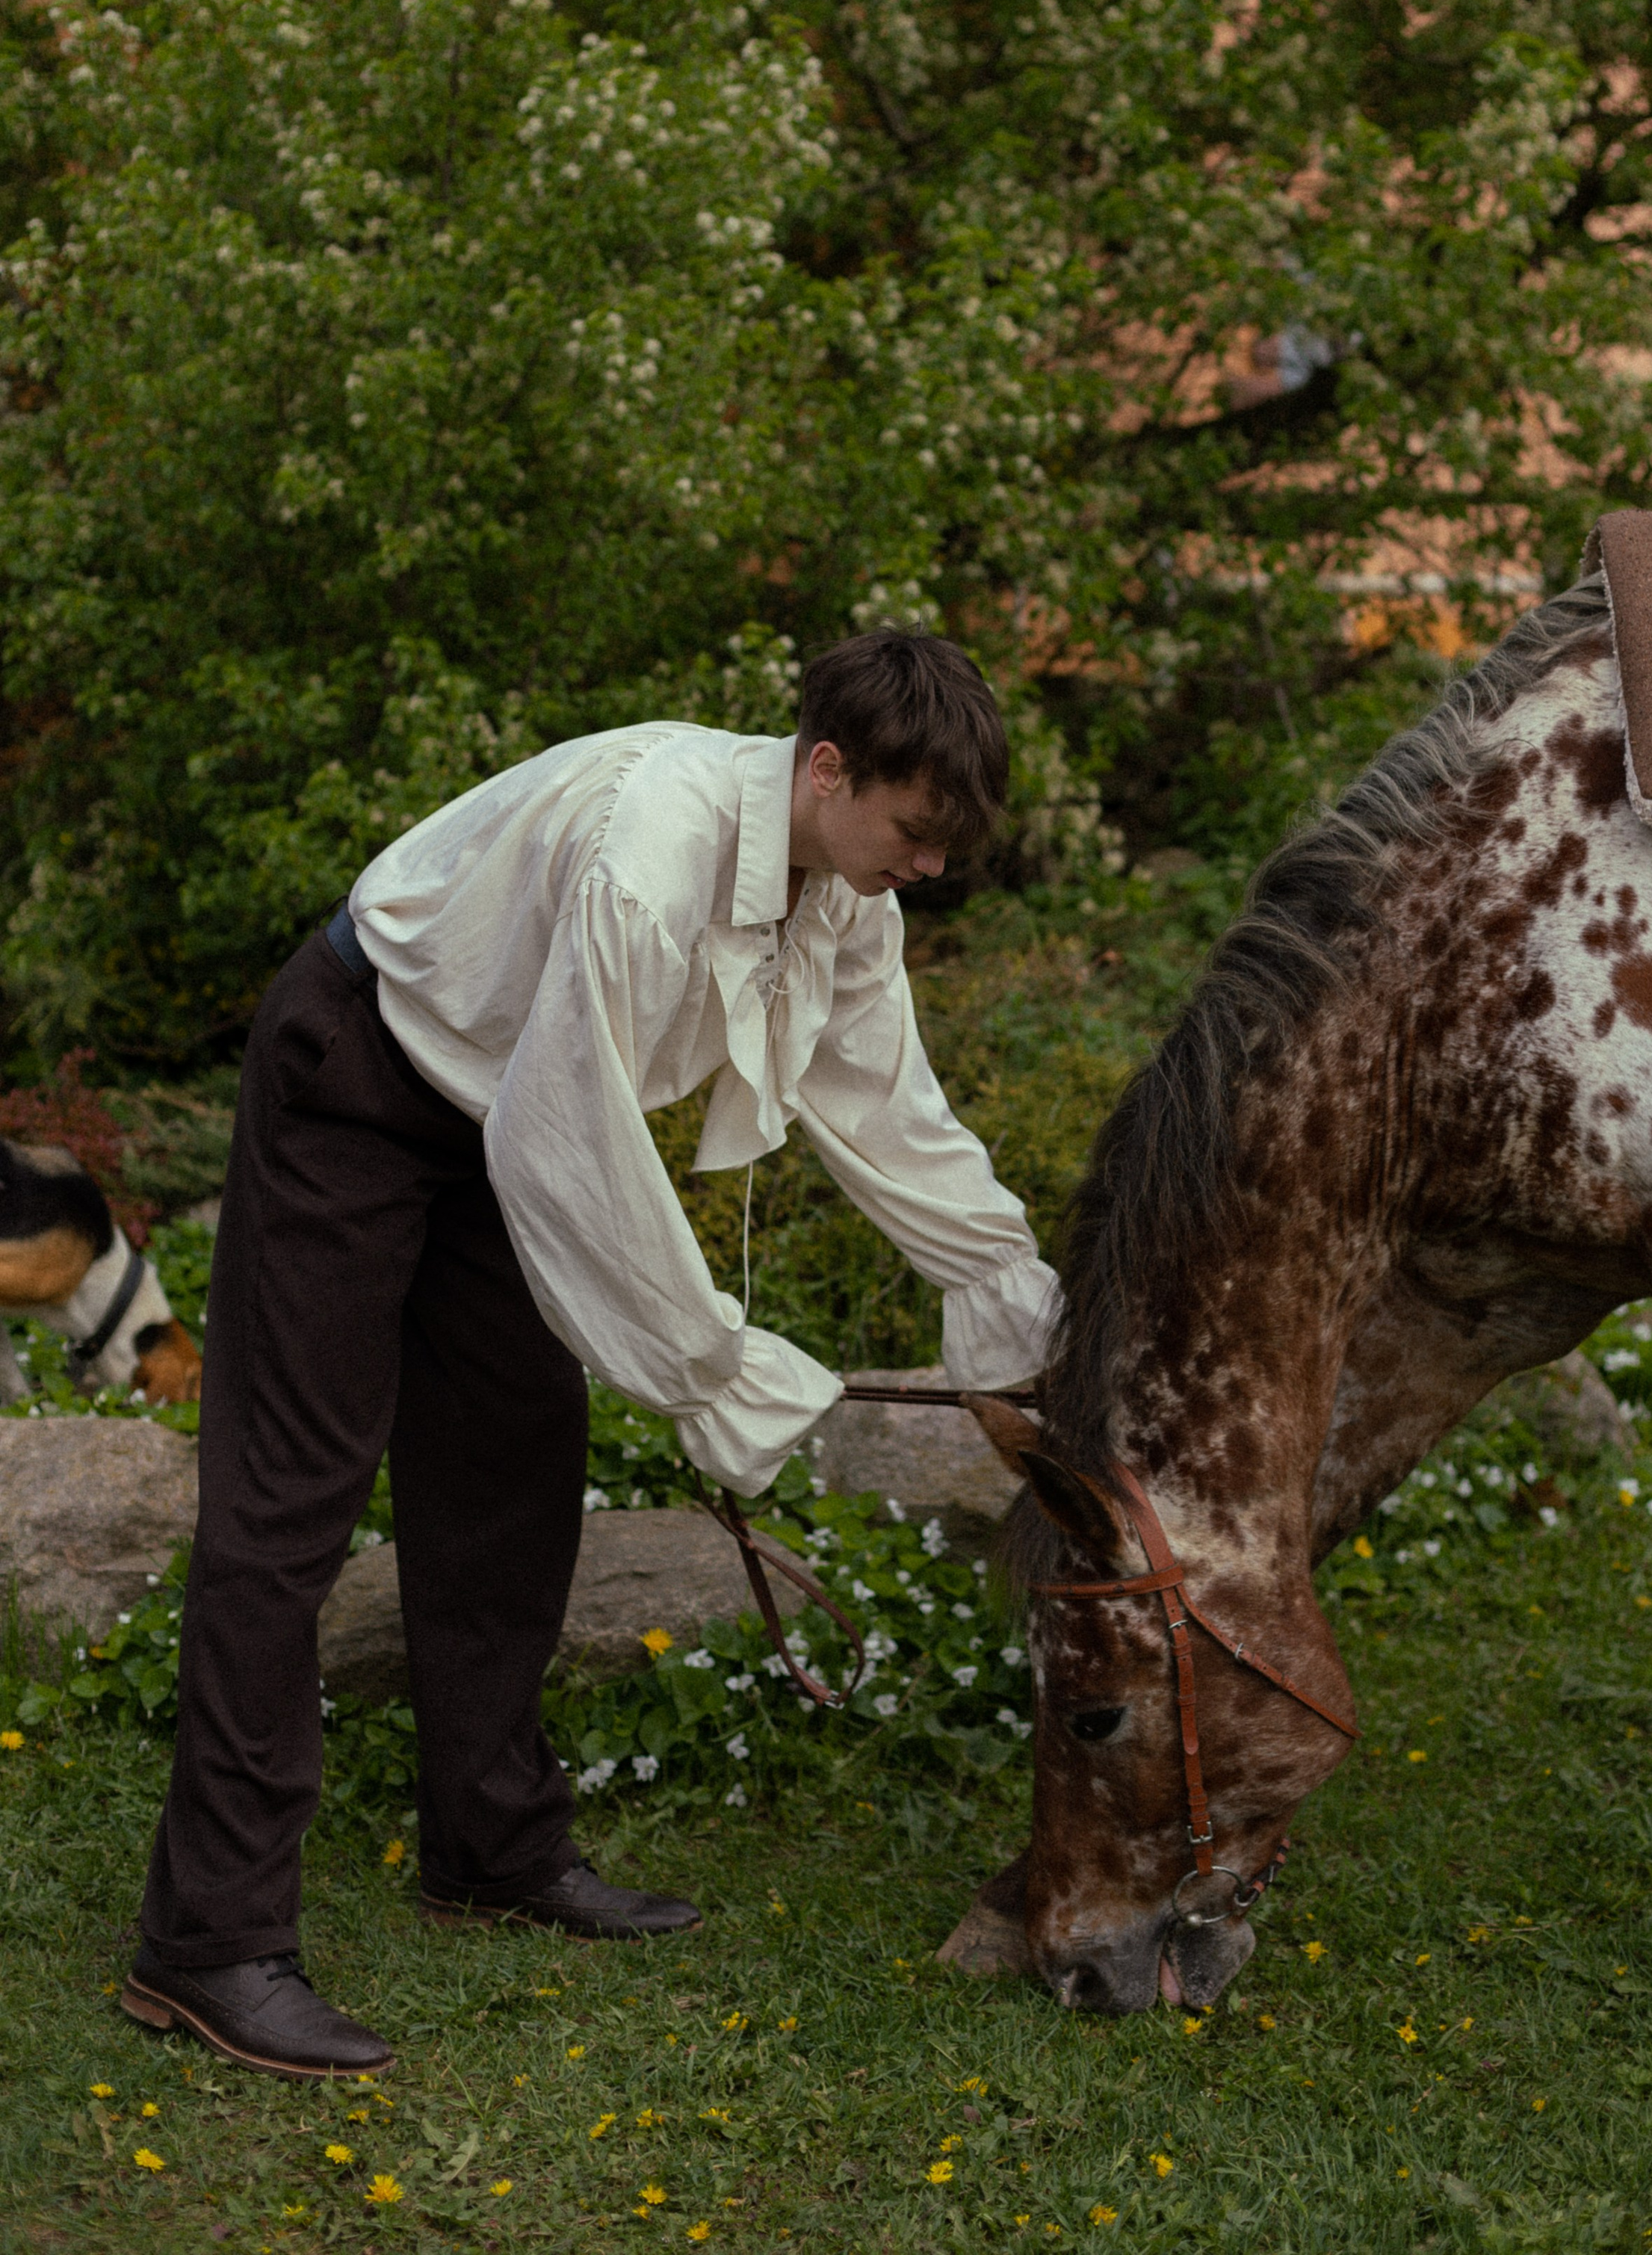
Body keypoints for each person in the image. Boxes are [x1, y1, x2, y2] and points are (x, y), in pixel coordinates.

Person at [122, 631, 1058, 2079]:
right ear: (826, 769)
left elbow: (887, 1110)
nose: (926, 869)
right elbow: (571, 1147)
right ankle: (207, 1945)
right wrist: (710, 1369)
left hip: (508, 1112)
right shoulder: (653, 854)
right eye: (913, 831)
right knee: (286, 1506)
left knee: (509, 1478)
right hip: (358, 1085)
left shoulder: (842, 901)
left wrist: (1011, 1311)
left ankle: (489, 1848)